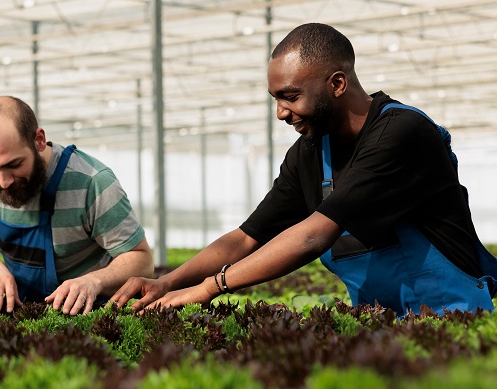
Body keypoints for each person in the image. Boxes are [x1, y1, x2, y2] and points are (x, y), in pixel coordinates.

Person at [111, 23, 497, 316]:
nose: (280, 112)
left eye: (290, 96)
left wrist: (213, 285)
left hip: (454, 318)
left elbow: (315, 235)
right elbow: (245, 238)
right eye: (276, 98)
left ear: (337, 83)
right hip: (378, 325)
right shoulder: (310, 153)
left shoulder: (401, 133)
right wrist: (168, 282)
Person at [0, 96, 153, 316]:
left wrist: (94, 281)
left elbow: (142, 260)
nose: (4, 181)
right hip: (21, 312)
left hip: (92, 313)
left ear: (39, 140)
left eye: (14, 164)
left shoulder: (92, 182)